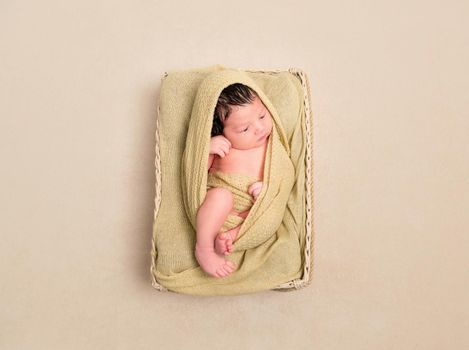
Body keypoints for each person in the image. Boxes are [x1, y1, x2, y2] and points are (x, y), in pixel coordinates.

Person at [194, 83, 273, 278]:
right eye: (244, 129)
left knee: (268, 214)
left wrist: (267, 191)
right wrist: (206, 149)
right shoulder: (223, 145)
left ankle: (230, 237)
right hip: (217, 209)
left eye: (262, 116)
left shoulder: (273, 146)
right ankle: (204, 247)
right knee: (221, 196)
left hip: (248, 213)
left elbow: (283, 180)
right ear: (221, 131)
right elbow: (194, 177)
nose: (259, 128)